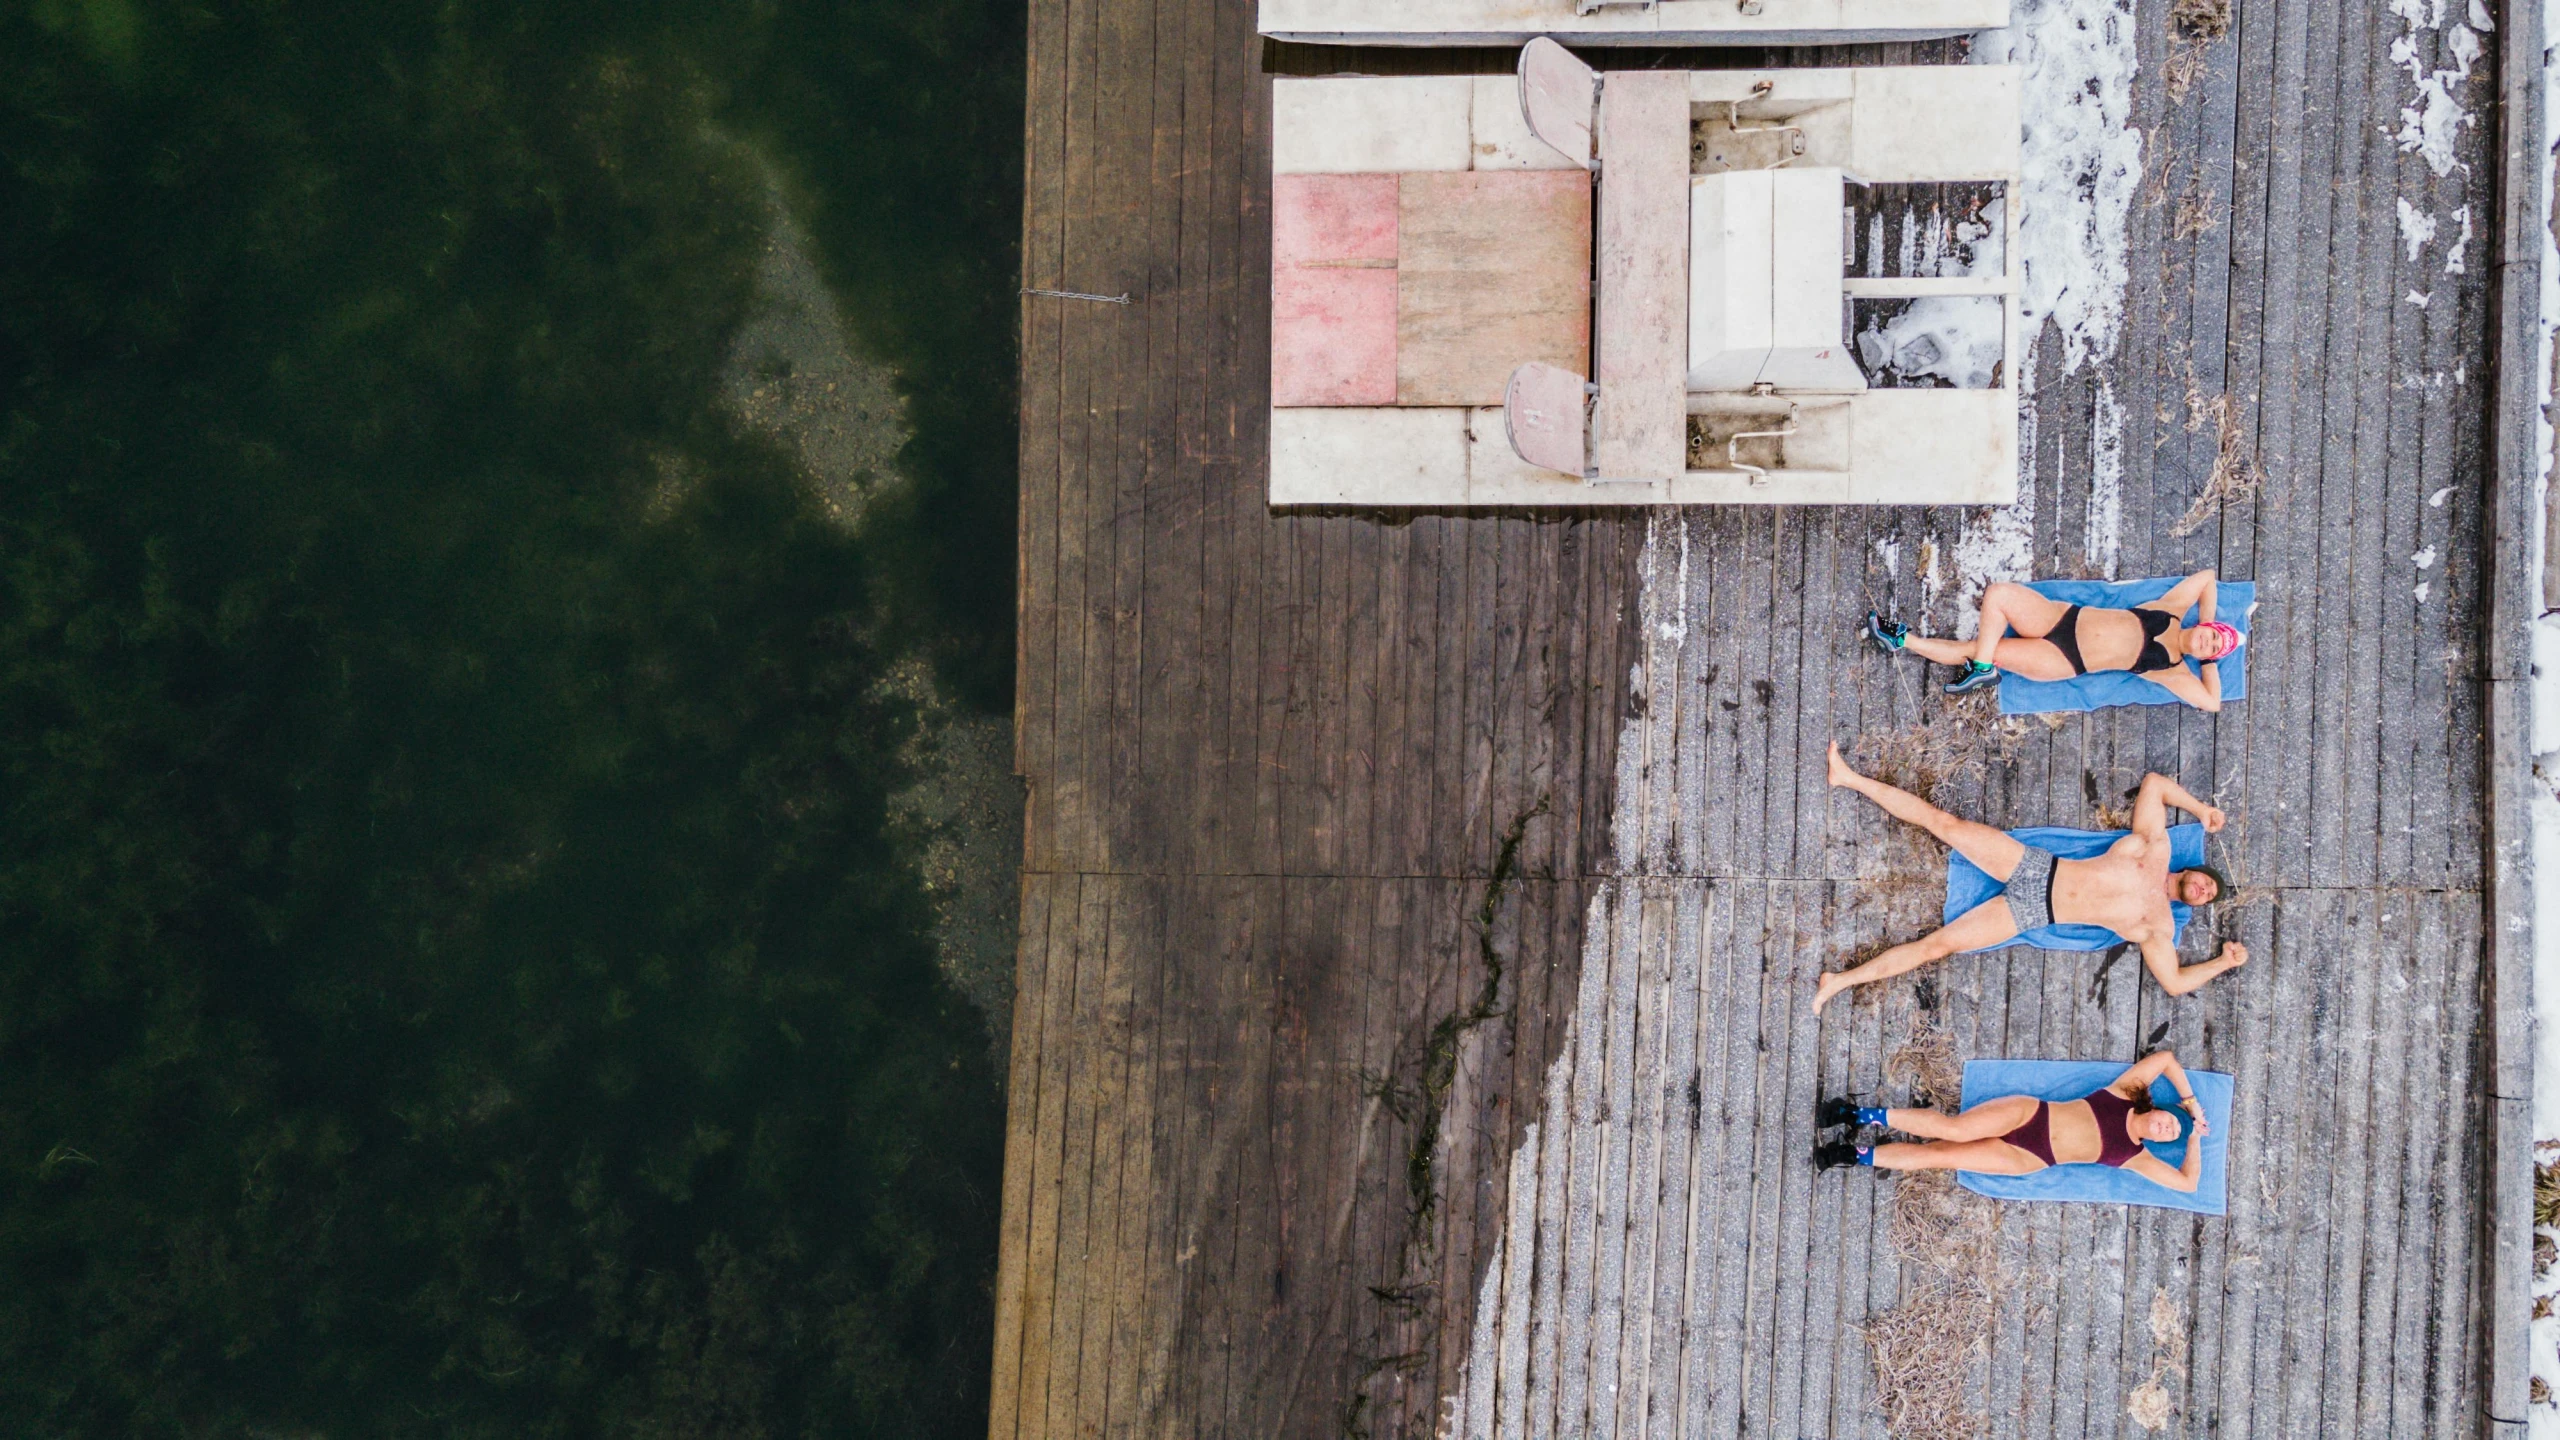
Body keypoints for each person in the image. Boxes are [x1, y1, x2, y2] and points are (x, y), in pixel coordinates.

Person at [1813, 743, 2246, 1014]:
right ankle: (1848, 777)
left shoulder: (2159, 926)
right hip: (2037, 867)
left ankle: (1840, 982)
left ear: (2193, 905)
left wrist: (2224, 962)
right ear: (2192, 870)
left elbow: (2174, 983)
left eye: (2207, 898)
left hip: (2036, 910)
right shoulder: (2155, 848)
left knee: (1937, 946)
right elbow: (2154, 786)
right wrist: (2200, 810)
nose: (2205, 891)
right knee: (1943, 823)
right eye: (2208, 882)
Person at [1812, 1050, 2210, 1194]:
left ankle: (1855, 1154)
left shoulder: (2135, 1156)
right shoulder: (2126, 1093)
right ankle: (1856, 1114)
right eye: (2171, 1121)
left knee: (1940, 1156)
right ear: (2158, 1108)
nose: (2167, 1128)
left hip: (2029, 1156)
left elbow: (2189, 1184)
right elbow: (2167, 1060)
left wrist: (2193, 1138)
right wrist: (2191, 1105)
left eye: (2171, 1134)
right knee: (1953, 1128)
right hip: (2031, 1113)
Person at [1865, 568, 2242, 709]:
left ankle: (1900, 640)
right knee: (1997, 594)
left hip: (2064, 661)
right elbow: (2208, 578)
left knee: (1977, 648)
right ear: (2206, 627)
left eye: (2212, 650)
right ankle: (1980, 668)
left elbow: (2212, 702)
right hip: (2061, 616)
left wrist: (2208, 662)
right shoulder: (2173, 608)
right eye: (2212, 638)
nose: (2207, 644)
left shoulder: (2173, 670)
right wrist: (2211, 620)